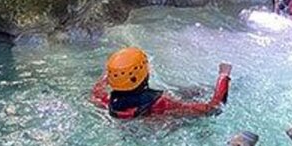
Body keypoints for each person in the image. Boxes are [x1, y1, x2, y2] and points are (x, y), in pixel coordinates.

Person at [91, 47, 231, 119]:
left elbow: (97, 90)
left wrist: (113, 74)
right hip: (162, 124)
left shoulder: (105, 101)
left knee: (188, 92)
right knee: (196, 92)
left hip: (137, 128)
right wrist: (223, 75)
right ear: (145, 74)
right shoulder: (162, 103)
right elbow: (213, 108)